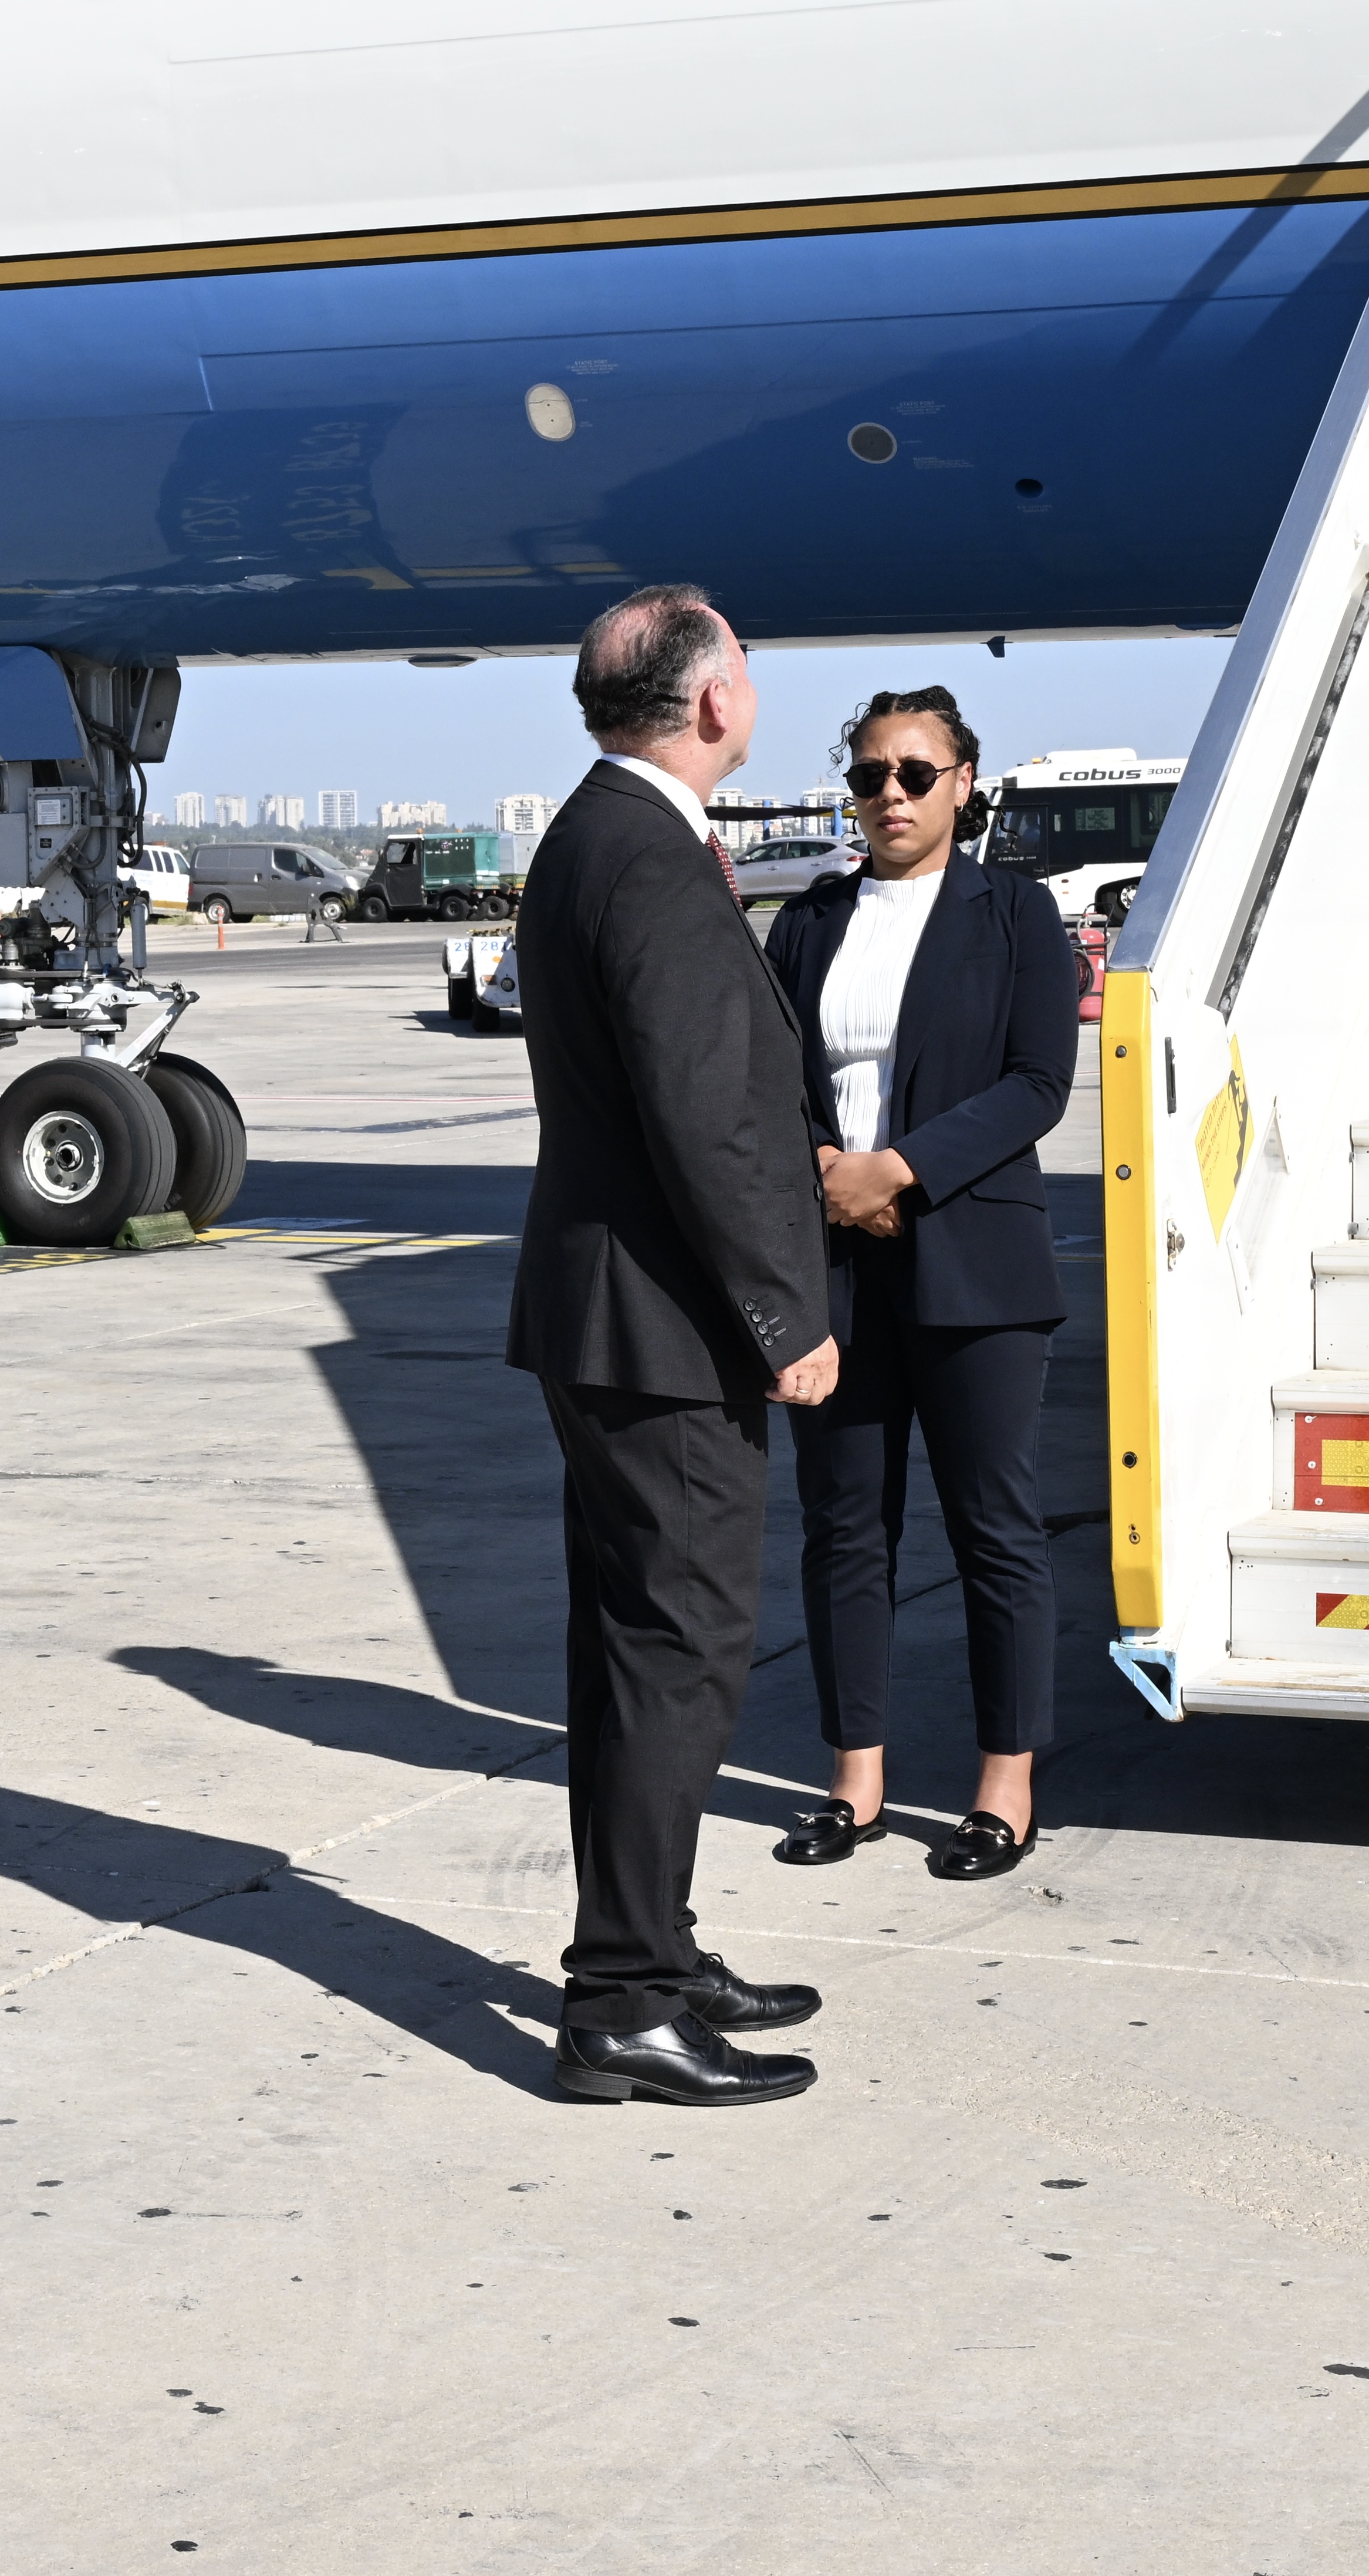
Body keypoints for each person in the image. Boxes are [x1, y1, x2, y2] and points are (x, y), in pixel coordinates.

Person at [506, 584, 838, 2106]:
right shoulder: (644, 857)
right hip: (664, 1335)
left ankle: (648, 1944)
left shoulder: (597, 831)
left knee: (632, 1655)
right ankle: (623, 2004)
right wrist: (786, 1320)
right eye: (746, 665)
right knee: (677, 1660)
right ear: (709, 705)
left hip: (609, 1323)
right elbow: (709, 1124)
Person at [761, 691, 1075, 1882]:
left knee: (995, 1528)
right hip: (837, 1258)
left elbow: (1040, 1080)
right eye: (867, 775)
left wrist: (901, 1167)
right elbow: (768, 1082)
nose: (888, 793)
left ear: (963, 782)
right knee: (845, 1527)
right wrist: (830, 1174)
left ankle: (1006, 1785)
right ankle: (858, 1781)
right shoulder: (810, 919)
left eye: (913, 771)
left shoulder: (1015, 912)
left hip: (975, 1262)